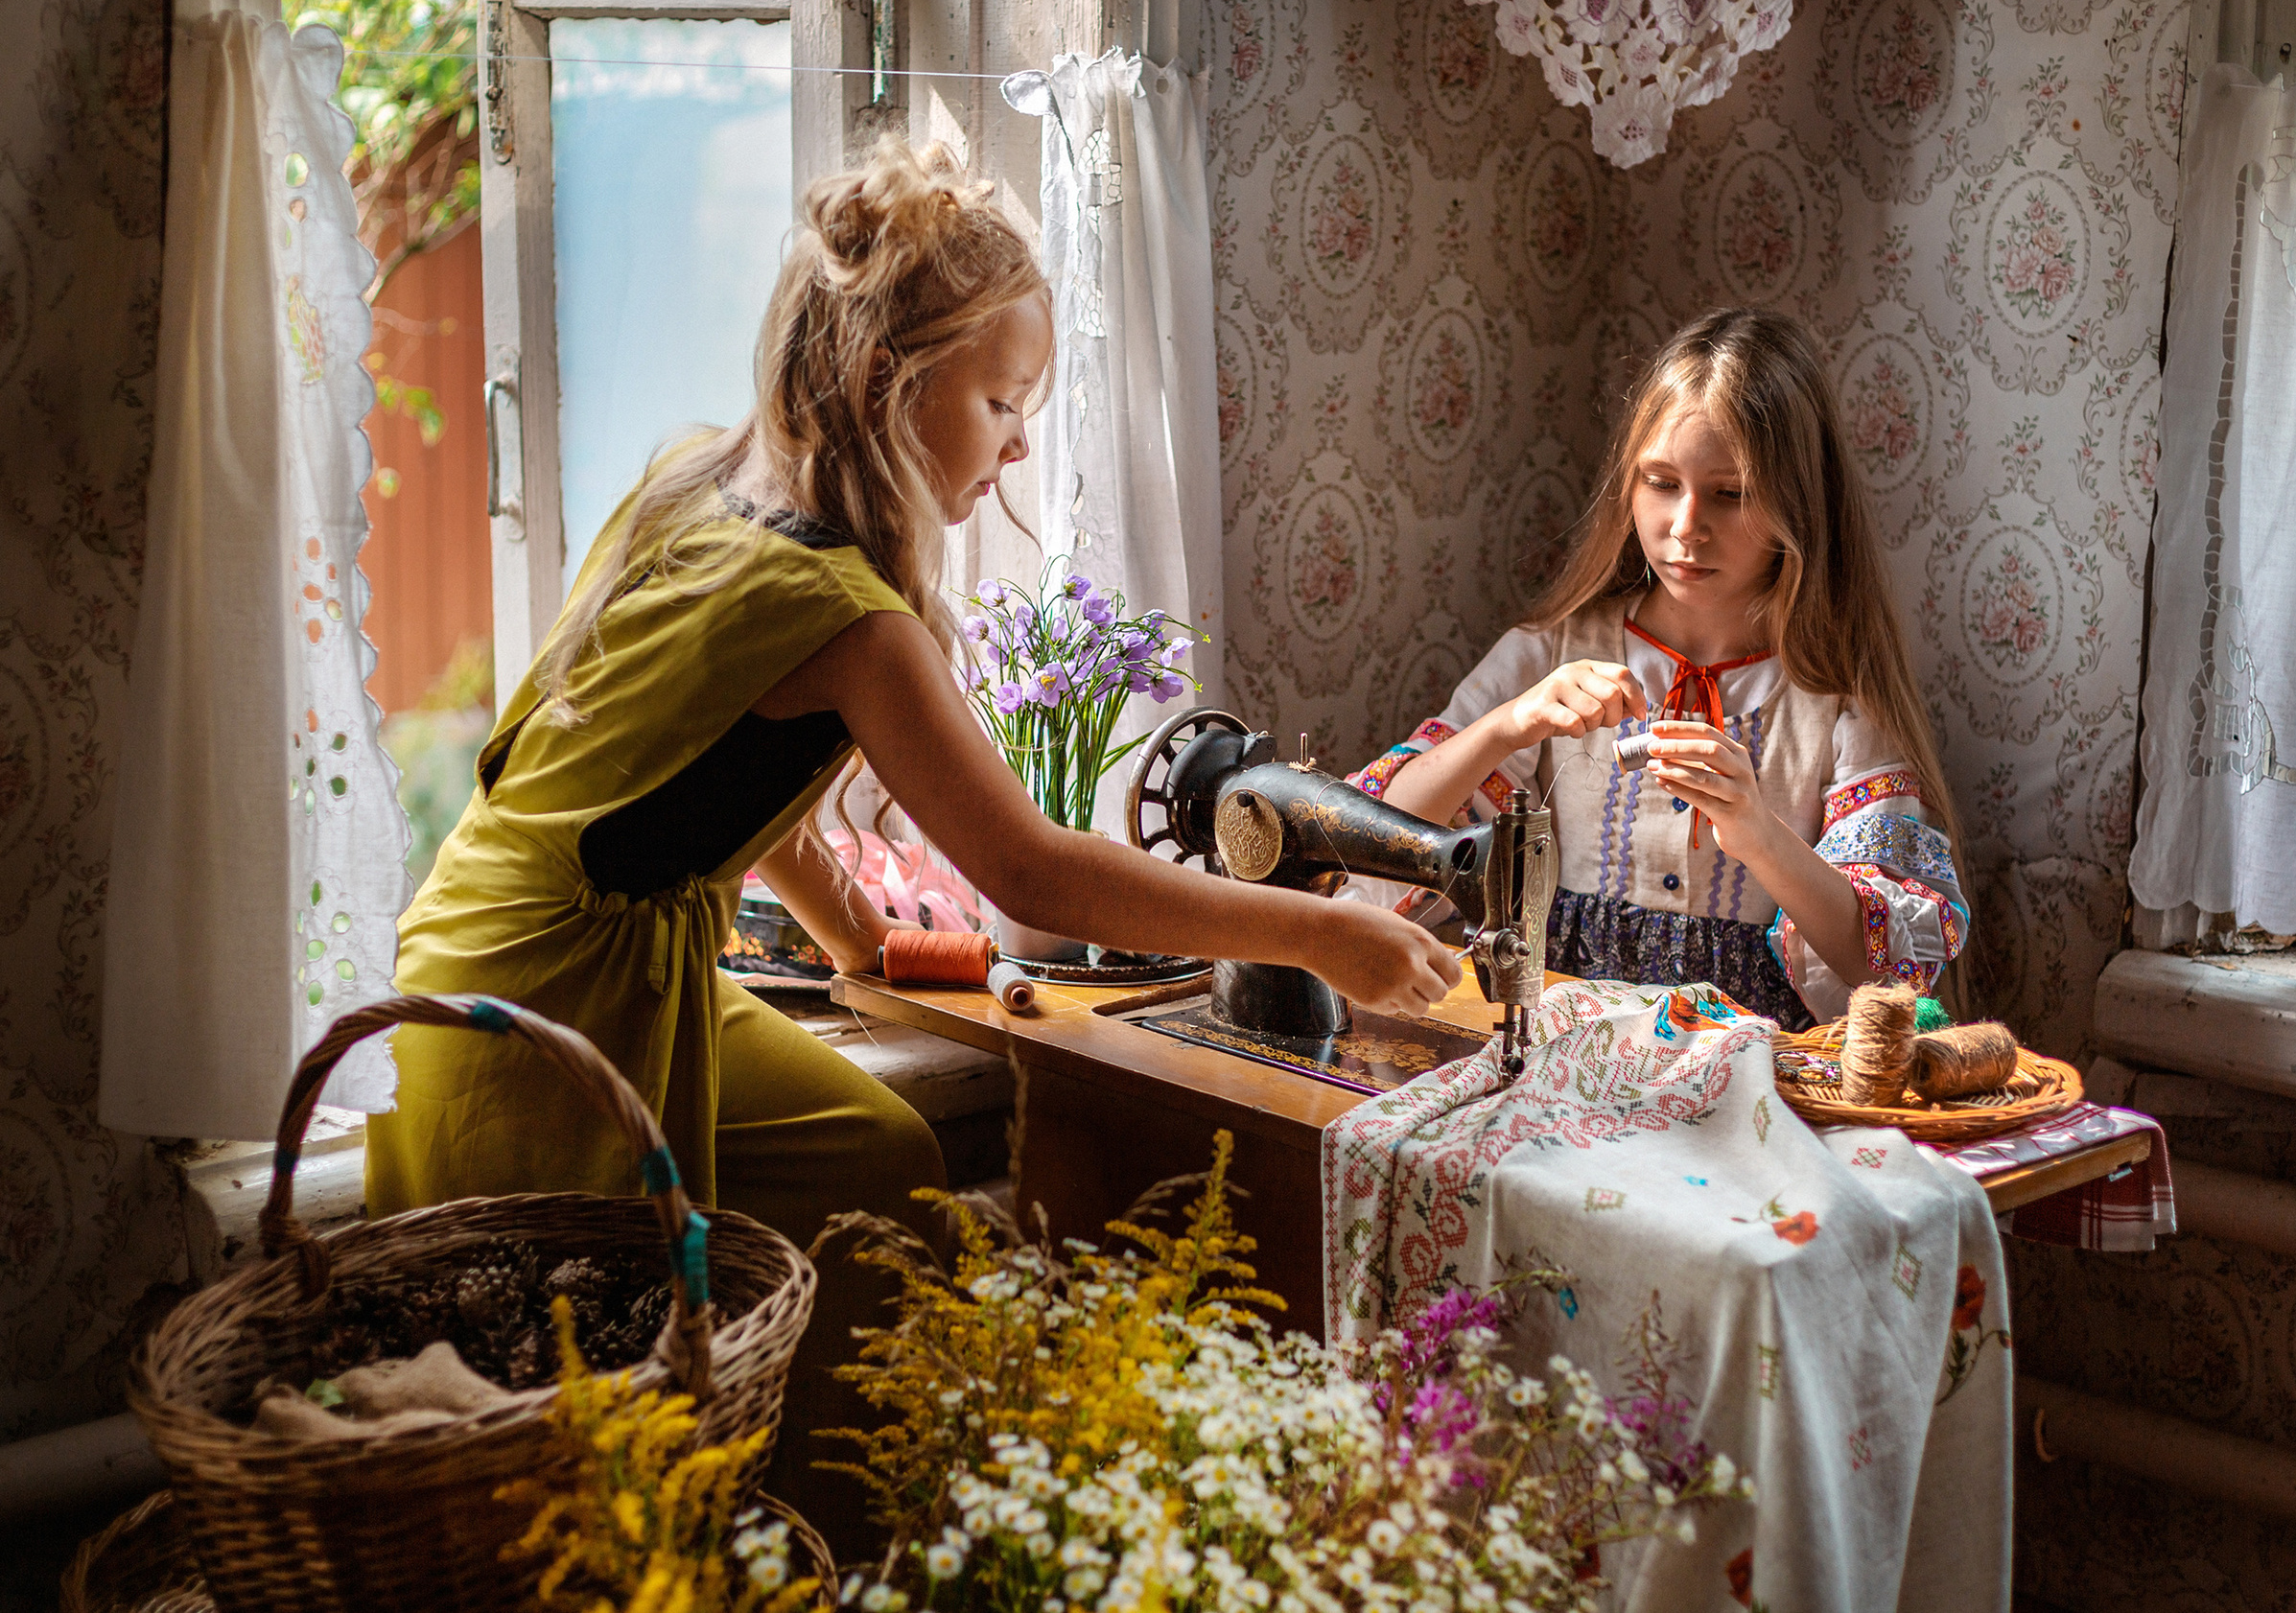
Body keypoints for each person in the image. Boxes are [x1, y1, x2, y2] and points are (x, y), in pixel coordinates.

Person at [363, 141, 1457, 1531]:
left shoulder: (693, 482)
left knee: (872, 1162)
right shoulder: (845, 614)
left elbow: (716, 785)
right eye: (1001, 401)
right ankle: (763, 1529)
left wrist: (860, 942)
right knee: (581, 1408)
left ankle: (831, 1524)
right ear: (894, 383)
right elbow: (1032, 868)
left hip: (563, 939)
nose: (1017, 444)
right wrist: (1322, 930)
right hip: (535, 1002)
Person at [1348, 307, 1966, 1030]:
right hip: (1566, 1054)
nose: (1685, 525)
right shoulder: (1548, 654)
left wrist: (1758, 834)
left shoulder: (1837, 700)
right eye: (1661, 482)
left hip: (1754, 1076)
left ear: (1800, 500)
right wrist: (1504, 729)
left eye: (1730, 493)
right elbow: (1379, 847)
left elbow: (1883, 969)